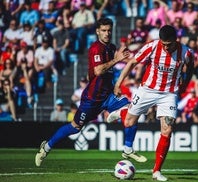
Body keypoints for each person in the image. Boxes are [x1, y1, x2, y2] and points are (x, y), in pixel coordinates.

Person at [35, 18, 147, 167]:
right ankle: (46, 147)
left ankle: (128, 149)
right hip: (92, 99)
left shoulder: (112, 47)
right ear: (97, 31)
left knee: (132, 110)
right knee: (75, 127)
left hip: (108, 95)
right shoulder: (96, 48)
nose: (107, 33)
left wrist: (131, 65)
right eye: (104, 30)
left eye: (109, 30)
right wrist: (116, 60)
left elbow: (119, 66)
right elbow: (98, 71)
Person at [107, 25, 195, 181]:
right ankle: (122, 113)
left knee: (167, 130)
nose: (166, 47)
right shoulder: (152, 46)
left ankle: (156, 172)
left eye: (169, 44)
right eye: (163, 44)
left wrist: (184, 85)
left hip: (169, 93)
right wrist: (118, 83)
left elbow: (191, 67)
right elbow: (132, 63)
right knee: (128, 122)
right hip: (147, 90)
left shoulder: (186, 52)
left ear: (176, 40)